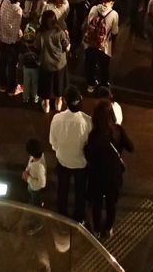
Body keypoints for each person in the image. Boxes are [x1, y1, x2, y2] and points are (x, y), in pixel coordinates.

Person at [84, 98, 134, 239]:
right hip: (114, 174)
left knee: (97, 204)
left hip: (97, 175)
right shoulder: (118, 130)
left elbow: (89, 155)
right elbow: (131, 147)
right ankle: (109, 228)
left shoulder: (94, 135)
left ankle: (97, 230)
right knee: (111, 203)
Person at [49, 85, 92, 223]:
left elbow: (53, 143)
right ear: (80, 99)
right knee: (80, 191)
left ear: (65, 101)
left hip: (63, 160)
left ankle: (61, 215)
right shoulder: (87, 121)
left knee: (62, 189)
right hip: (81, 162)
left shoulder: (56, 118)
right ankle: (79, 218)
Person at [83, 0, 119, 93]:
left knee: (90, 63)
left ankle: (90, 85)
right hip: (104, 45)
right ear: (112, 2)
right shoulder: (114, 14)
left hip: (90, 42)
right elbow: (114, 32)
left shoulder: (94, 9)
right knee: (104, 66)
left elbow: (88, 23)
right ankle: (103, 85)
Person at [35, 9, 69, 114]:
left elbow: (37, 48)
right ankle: (58, 102)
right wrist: (67, 36)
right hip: (60, 64)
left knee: (46, 85)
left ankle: (46, 105)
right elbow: (66, 47)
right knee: (59, 83)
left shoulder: (40, 34)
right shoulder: (59, 32)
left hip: (46, 64)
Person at [23, 138, 47, 207]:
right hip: (32, 185)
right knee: (32, 197)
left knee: (36, 203)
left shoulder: (39, 167)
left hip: (36, 190)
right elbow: (29, 164)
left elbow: (42, 184)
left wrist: (28, 178)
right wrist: (26, 171)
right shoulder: (35, 156)